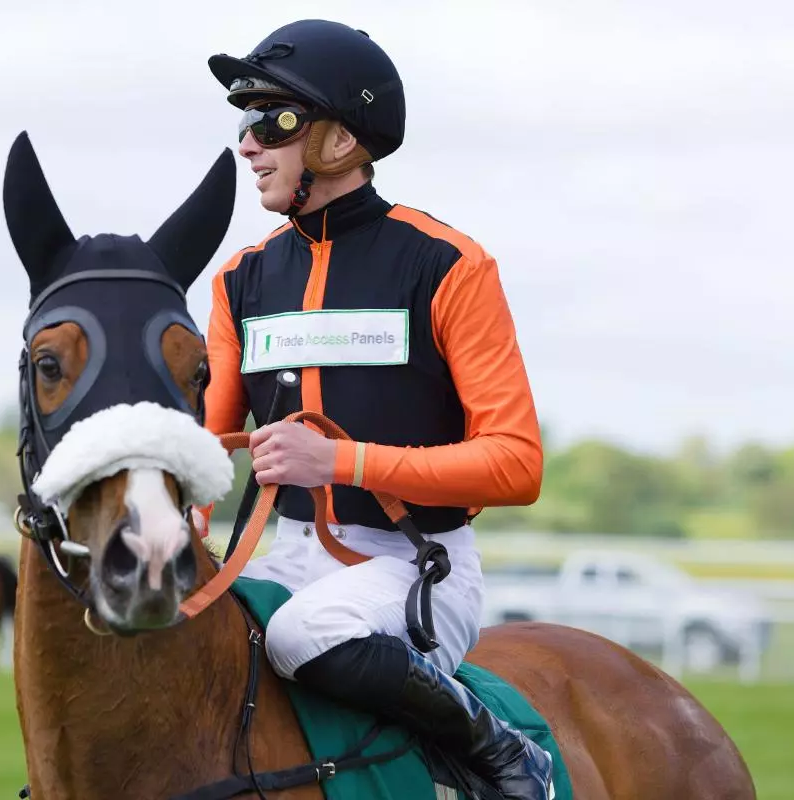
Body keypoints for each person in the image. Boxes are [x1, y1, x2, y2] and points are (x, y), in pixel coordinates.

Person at [198, 19, 554, 800]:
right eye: (245, 121)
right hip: (282, 559)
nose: (248, 144)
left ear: (338, 140)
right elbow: (203, 446)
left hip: (414, 567)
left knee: (302, 633)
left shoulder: (449, 264)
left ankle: (497, 751)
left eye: (271, 120)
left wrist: (341, 461)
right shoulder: (239, 280)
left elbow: (516, 462)